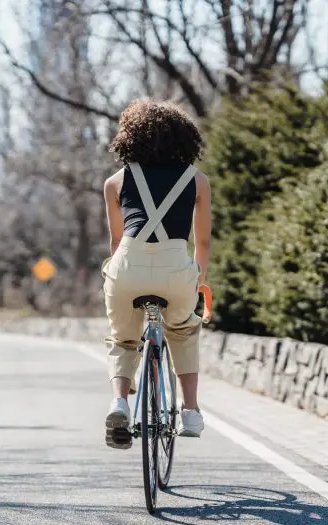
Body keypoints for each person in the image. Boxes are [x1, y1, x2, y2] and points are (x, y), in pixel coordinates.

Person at [101, 99, 211, 449]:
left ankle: (120, 402)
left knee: (123, 339)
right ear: (185, 139)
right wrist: (199, 278)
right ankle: (190, 412)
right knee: (183, 330)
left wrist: (115, 277)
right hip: (177, 268)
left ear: (129, 138)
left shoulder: (115, 181)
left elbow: (117, 240)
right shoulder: (198, 181)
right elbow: (203, 241)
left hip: (128, 267)